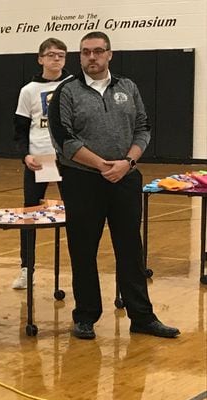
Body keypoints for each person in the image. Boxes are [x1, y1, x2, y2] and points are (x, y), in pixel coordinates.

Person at [47, 31, 179, 340]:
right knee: (83, 250)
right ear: (80, 57)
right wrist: (101, 165)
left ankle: (142, 316)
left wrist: (127, 163)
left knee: (131, 249)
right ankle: (85, 316)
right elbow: (63, 137)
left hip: (125, 178)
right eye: (85, 52)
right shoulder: (66, 91)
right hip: (82, 181)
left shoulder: (128, 87)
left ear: (109, 54)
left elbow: (143, 128)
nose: (91, 57)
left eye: (97, 51)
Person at [11, 38, 71, 290]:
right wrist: (25, 155)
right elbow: (20, 130)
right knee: (30, 215)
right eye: (51, 55)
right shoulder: (29, 90)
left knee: (76, 213)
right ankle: (27, 268)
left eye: (61, 55)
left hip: (68, 159)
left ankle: (79, 266)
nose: (56, 59)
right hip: (39, 160)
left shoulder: (74, 85)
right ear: (41, 58)